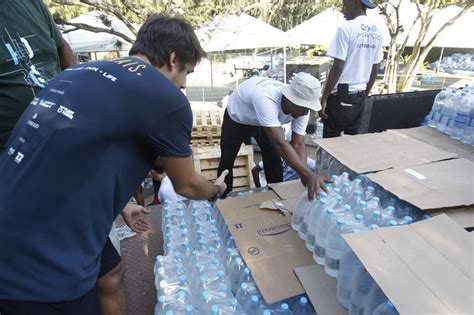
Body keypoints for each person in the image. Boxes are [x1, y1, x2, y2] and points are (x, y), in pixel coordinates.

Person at [0, 13, 228, 314]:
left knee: (111, 271)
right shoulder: (165, 97)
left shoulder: (79, 72)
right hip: (45, 254)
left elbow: (79, 149)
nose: (184, 84)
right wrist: (215, 189)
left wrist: (122, 204)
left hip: (13, 209)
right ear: (173, 59)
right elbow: (186, 184)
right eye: (187, 72)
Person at [0, 2, 145, 314]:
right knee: (53, 293)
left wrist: (121, 204)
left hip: (60, 166)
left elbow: (65, 53)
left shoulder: (30, 5)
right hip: (14, 186)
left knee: (109, 274)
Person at [217, 72, 328, 200]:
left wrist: (303, 174)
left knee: (273, 159)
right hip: (238, 118)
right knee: (227, 159)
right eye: (303, 108)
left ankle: (276, 197)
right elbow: (280, 143)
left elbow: (298, 143)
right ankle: (223, 198)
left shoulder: (302, 109)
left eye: (308, 108)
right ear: (291, 99)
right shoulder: (266, 99)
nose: (306, 113)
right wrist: (307, 174)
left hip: (266, 121)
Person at [0, 0, 76, 151]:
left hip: (60, 134)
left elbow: (62, 47)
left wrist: (79, 94)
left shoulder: (32, 3)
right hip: (10, 152)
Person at [319, 0, 383, 138]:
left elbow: (337, 67)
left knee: (331, 140)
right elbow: (375, 68)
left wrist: (324, 97)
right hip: (359, 95)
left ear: (355, 3)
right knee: (351, 141)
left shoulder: (346, 29)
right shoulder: (378, 31)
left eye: (345, 5)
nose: (343, 10)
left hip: (340, 96)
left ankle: (327, 160)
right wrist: (365, 95)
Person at [252, 157, 317, 188]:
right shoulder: (274, 157)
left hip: (289, 190)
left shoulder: (304, 161)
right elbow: (255, 170)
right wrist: (259, 188)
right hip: (272, 188)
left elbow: (319, 169)